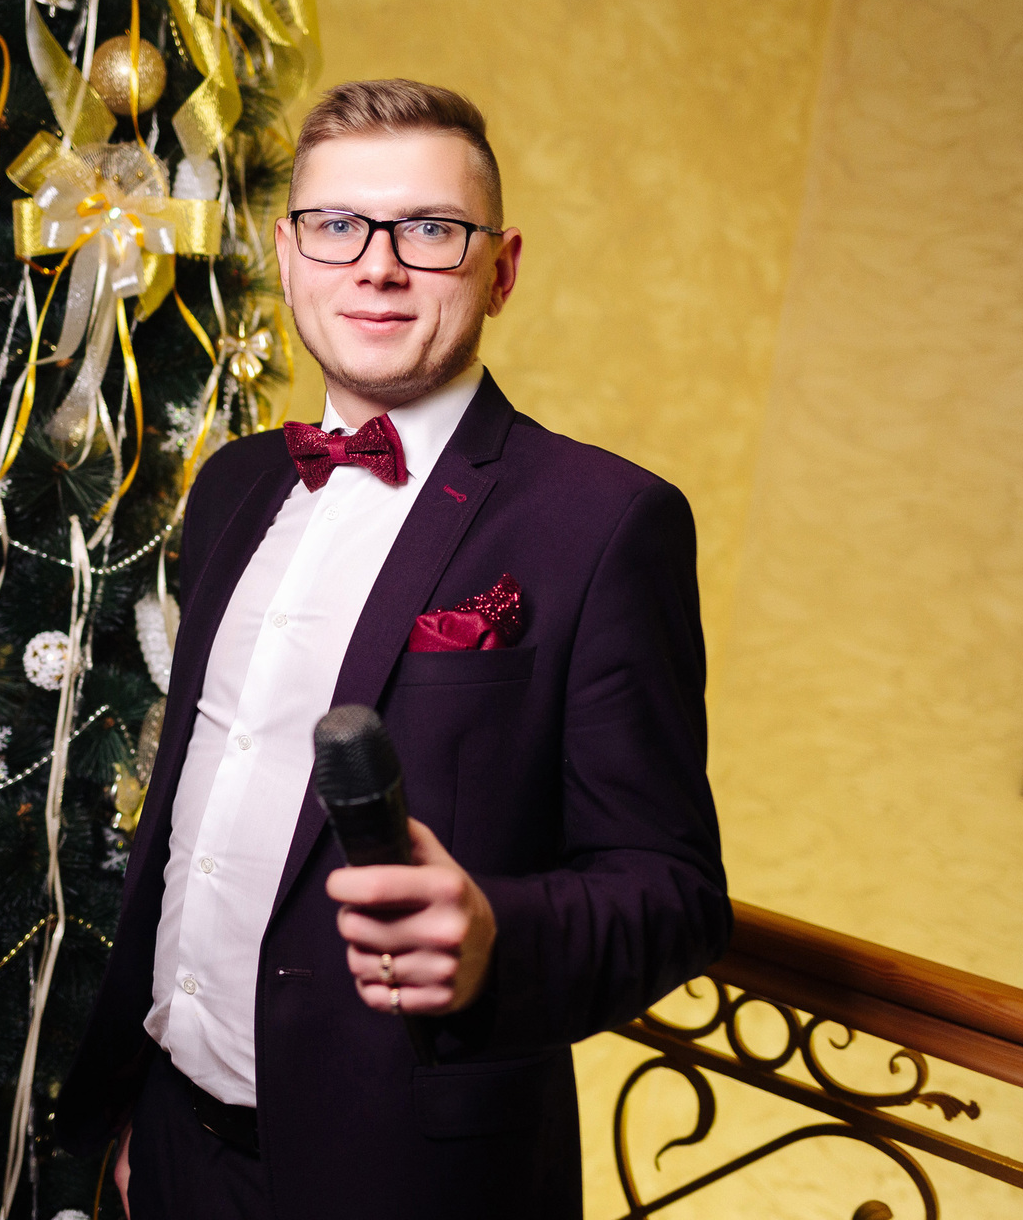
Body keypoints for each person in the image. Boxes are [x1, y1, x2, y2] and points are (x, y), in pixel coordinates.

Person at [56, 78, 731, 1220]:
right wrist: (140, 1123)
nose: (377, 266)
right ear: (289, 257)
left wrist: (498, 937)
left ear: (501, 269)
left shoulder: (606, 523)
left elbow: (674, 893)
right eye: (338, 225)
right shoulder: (232, 486)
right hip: (167, 1145)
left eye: (429, 229)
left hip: (409, 1181)